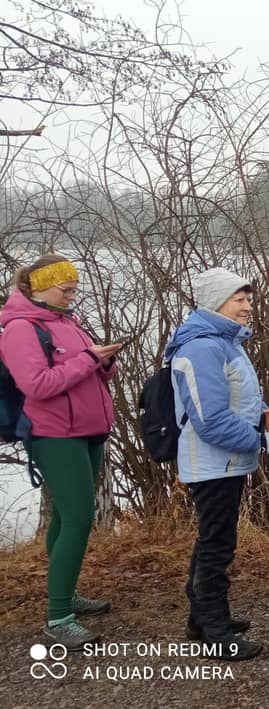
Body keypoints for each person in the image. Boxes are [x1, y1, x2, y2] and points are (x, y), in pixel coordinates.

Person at [0, 254, 119, 650]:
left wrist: (104, 362)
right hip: (55, 435)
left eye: (73, 288)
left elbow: (86, 371)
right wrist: (89, 359)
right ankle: (58, 617)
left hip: (87, 430)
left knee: (65, 519)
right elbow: (39, 385)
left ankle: (65, 594)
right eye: (66, 289)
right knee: (80, 519)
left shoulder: (67, 322)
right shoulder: (19, 329)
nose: (72, 295)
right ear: (40, 286)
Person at [167, 267, 269, 662]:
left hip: (228, 460)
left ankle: (202, 619)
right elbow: (211, 419)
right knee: (217, 545)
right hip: (211, 463)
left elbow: (238, 398)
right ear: (217, 301)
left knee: (212, 541)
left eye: (248, 299)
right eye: (240, 300)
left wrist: (262, 414)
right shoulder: (202, 347)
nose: (248, 307)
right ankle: (215, 631)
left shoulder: (225, 342)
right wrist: (262, 441)